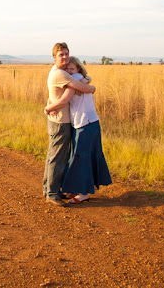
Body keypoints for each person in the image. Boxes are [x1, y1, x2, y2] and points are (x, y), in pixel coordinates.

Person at [45, 56, 112, 204]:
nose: (69, 71)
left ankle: (83, 193)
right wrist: (87, 81)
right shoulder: (78, 79)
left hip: (85, 123)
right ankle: (77, 190)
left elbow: (65, 99)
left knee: (81, 158)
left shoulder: (74, 80)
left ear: (78, 69)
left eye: (72, 68)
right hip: (86, 122)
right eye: (67, 68)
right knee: (81, 157)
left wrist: (48, 108)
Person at [43, 43, 97, 207]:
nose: (65, 57)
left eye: (66, 54)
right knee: (58, 158)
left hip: (59, 120)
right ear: (54, 57)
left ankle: (48, 189)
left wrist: (86, 79)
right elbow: (83, 88)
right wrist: (91, 86)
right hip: (60, 122)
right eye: (61, 55)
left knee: (53, 156)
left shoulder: (57, 71)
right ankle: (52, 194)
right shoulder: (60, 74)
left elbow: (80, 81)